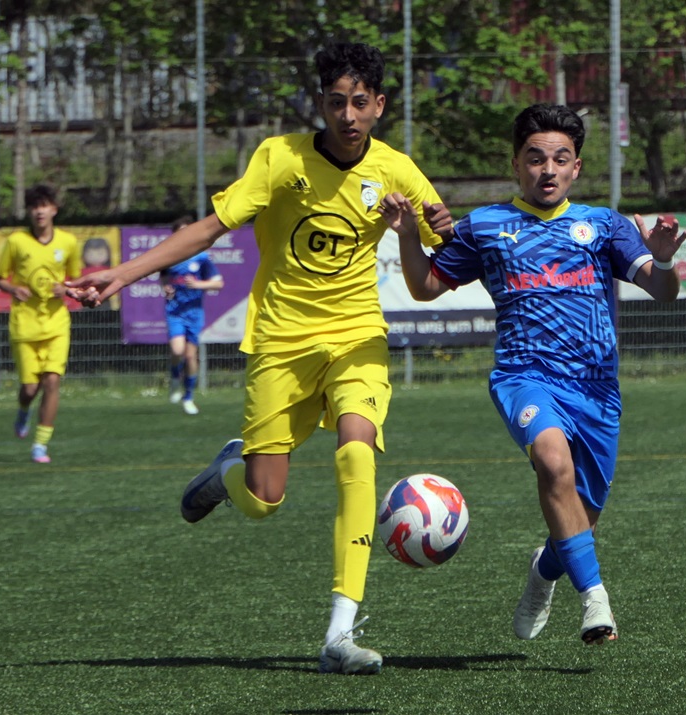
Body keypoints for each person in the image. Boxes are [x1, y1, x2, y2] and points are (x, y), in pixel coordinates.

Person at [66, 42, 453, 675]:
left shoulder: (398, 171)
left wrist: (434, 226)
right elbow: (208, 230)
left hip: (357, 336)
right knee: (264, 498)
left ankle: (340, 633)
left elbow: (445, 255)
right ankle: (226, 472)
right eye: (336, 102)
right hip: (281, 342)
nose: (348, 115)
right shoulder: (279, 158)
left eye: (360, 102)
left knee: (357, 453)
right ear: (320, 103)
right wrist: (122, 275)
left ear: (379, 106)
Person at [380, 103, 686, 647]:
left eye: (560, 159)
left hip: (597, 390)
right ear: (516, 165)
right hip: (525, 376)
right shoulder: (485, 227)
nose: (548, 169)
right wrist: (407, 236)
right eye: (536, 158)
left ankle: (542, 573)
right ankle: (595, 601)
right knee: (551, 461)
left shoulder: (605, 225)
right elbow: (425, 287)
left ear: (576, 168)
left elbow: (662, 292)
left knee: (581, 522)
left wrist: (662, 261)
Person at [0, 184, 82, 463]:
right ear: (29, 212)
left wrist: (65, 289)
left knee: (52, 381)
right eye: (34, 207)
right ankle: (23, 410)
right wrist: (13, 289)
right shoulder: (16, 242)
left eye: (44, 206)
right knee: (30, 389)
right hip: (24, 325)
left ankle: (40, 444)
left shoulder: (68, 242)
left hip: (56, 324)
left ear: (54, 209)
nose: (39, 211)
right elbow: (0, 279)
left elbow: (75, 280)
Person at [159, 215, 224, 415]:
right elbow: (163, 277)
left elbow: (218, 283)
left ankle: (188, 397)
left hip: (194, 312)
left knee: (190, 355)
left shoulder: (202, 258)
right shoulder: (169, 257)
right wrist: (166, 288)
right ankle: (175, 378)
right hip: (175, 311)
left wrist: (198, 284)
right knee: (177, 350)